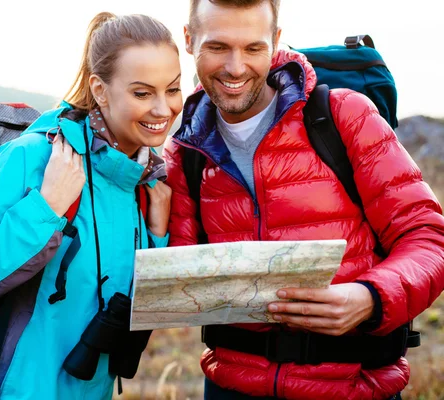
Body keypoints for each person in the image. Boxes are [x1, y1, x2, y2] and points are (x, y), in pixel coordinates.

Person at [163, 0, 444, 399]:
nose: (236, 67)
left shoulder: (344, 116)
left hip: (353, 387)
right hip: (232, 387)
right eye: (218, 47)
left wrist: (370, 297)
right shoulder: (184, 153)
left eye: (253, 48)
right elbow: (173, 283)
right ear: (190, 40)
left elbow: (428, 238)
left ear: (276, 41)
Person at [0, 12, 181, 400]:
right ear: (100, 90)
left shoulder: (142, 181)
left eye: (172, 89)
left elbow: (119, 299)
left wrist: (156, 237)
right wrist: (46, 206)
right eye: (142, 93)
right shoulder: (30, 158)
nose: (163, 109)